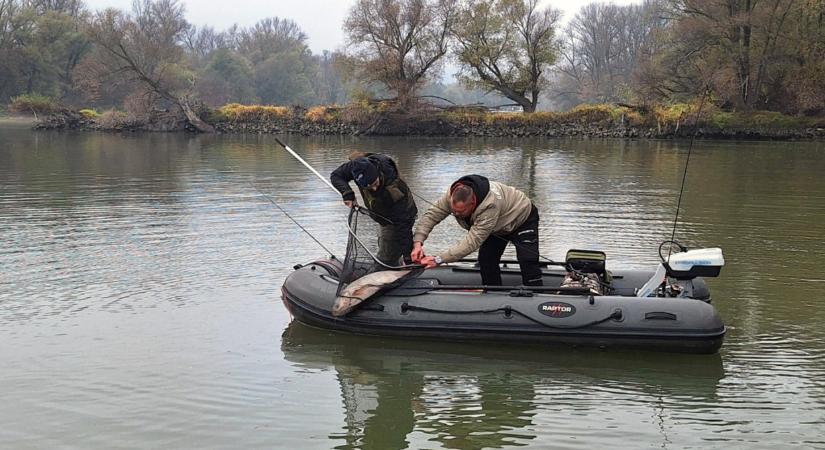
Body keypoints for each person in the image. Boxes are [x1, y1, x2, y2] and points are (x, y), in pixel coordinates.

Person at [411, 175, 543, 286]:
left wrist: (438, 259)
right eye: (454, 211)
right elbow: (431, 216)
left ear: (473, 203)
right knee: (486, 260)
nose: (456, 215)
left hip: (522, 217)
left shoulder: (489, 206)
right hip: (497, 226)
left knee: (528, 259)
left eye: (461, 212)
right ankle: (492, 293)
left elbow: (472, 242)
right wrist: (418, 243)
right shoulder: (451, 196)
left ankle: (537, 294)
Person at [330, 152, 417, 265]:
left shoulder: (394, 192)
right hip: (381, 215)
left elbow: (403, 224)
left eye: (375, 183)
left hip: (398, 217)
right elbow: (336, 175)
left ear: (377, 173)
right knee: (386, 245)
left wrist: (408, 256)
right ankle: (397, 260)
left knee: (386, 258)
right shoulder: (357, 166)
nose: (375, 189)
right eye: (369, 187)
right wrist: (347, 193)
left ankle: (392, 265)